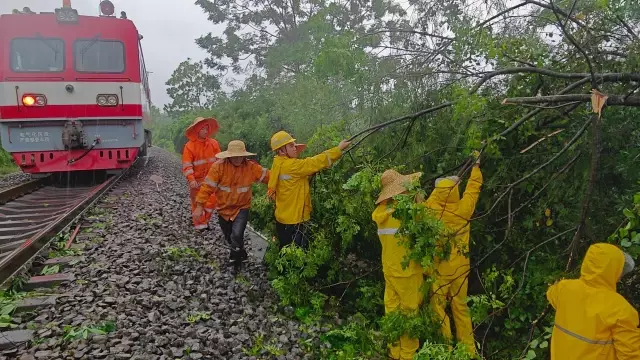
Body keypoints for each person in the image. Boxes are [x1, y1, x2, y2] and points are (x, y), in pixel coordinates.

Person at [425, 153, 482, 355]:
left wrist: (441, 189)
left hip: (438, 269)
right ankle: (468, 351)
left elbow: (435, 196)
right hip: (459, 268)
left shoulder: (430, 211)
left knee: (439, 310)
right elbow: (473, 189)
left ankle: (445, 349)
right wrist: (475, 166)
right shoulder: (464, 209)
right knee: (461, 308)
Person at [546, 243, 639, 360]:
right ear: (614, 270)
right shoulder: (620, 309)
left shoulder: (564, 288)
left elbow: (551, 293)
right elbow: (631, 354)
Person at [193, 140, 270, 274]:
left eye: (240, 156)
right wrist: (200, 206)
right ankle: (242, 253)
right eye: (235, 156)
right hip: (223, 209)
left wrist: (285, 180)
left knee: (237, 234)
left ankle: (235, 262)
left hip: (242, 207)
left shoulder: (250, 167)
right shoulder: (218, 167)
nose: (238, 159)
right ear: (229, 156)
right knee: (229, 237)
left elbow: (268, 177)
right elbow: (207, 187)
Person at [372, 169, 424, 360]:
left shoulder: (380, 214)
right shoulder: (407, 214)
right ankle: (408, 355)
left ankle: (394, 353)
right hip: (407, 271)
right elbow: (427, 219)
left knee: (392, 311)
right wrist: (418, 198)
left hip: (389, 269)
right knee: (409, 313)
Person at [267, 130, 350, 249]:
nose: (295, 148)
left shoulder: (277, 163)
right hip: (295, 220)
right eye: (291, 146)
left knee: (285, 252)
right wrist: (338, 149)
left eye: (295, 145)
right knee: (298, 254)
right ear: (281, 150)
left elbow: (295, 178)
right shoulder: (292, 165)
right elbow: (314, 162)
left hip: (282, 219)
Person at [182, 117, 221, 230]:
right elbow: (187, 165)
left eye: (207, 128)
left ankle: (204, 221)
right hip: (197, 182)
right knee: (196, 202)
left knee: (211, 202)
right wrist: (191, 179)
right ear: (197, 130)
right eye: (203, 129)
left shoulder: (213, 144)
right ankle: (199, 225)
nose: (206, 131)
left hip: (211, 181)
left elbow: (219, 161)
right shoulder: (189, 146)